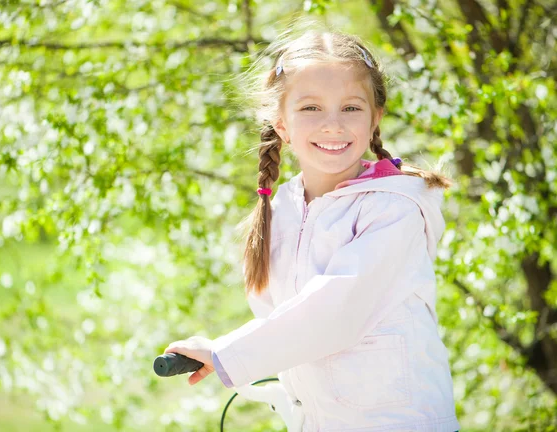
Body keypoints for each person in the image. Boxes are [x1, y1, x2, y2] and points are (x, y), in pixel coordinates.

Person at [164, 23, 460, 432]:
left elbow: (333, 309)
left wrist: (227, 354)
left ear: (375, 118)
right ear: (281, 123)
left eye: (351, 108)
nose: (333, 124)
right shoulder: (281, 209)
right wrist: (227, 353)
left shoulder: (394, 208)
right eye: (310, 108)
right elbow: (285, 320)